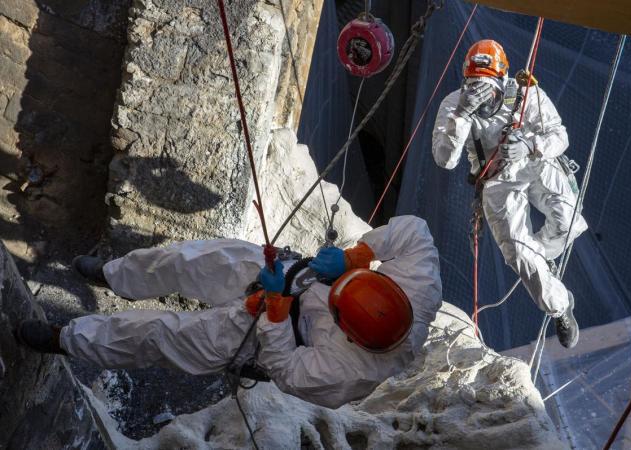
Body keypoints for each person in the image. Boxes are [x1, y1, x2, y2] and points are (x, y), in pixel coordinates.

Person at [16, 216, 442, 409]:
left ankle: (64, 339)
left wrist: (275, 309)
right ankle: (116, 276)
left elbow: (287, 370)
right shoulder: (418, 289)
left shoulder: (348, 373)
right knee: (190, 260)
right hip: (292, 276)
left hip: (263, 336)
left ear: (349, 334)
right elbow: (415, 232)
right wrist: (356, 257)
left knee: (157, 334)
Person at [432, 39, 587, 348]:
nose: (480, 92)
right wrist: (461, 116)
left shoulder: (526, 95)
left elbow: (560, 135)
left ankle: (541, 256)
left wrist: (531, 146)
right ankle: (559, 304)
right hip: (496, 182)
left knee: (566, 221)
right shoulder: (455, 104)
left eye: (485, 85)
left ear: (500, 78)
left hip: (534, 164)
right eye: (473, 84)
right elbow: (444, 159)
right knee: (519, 255)